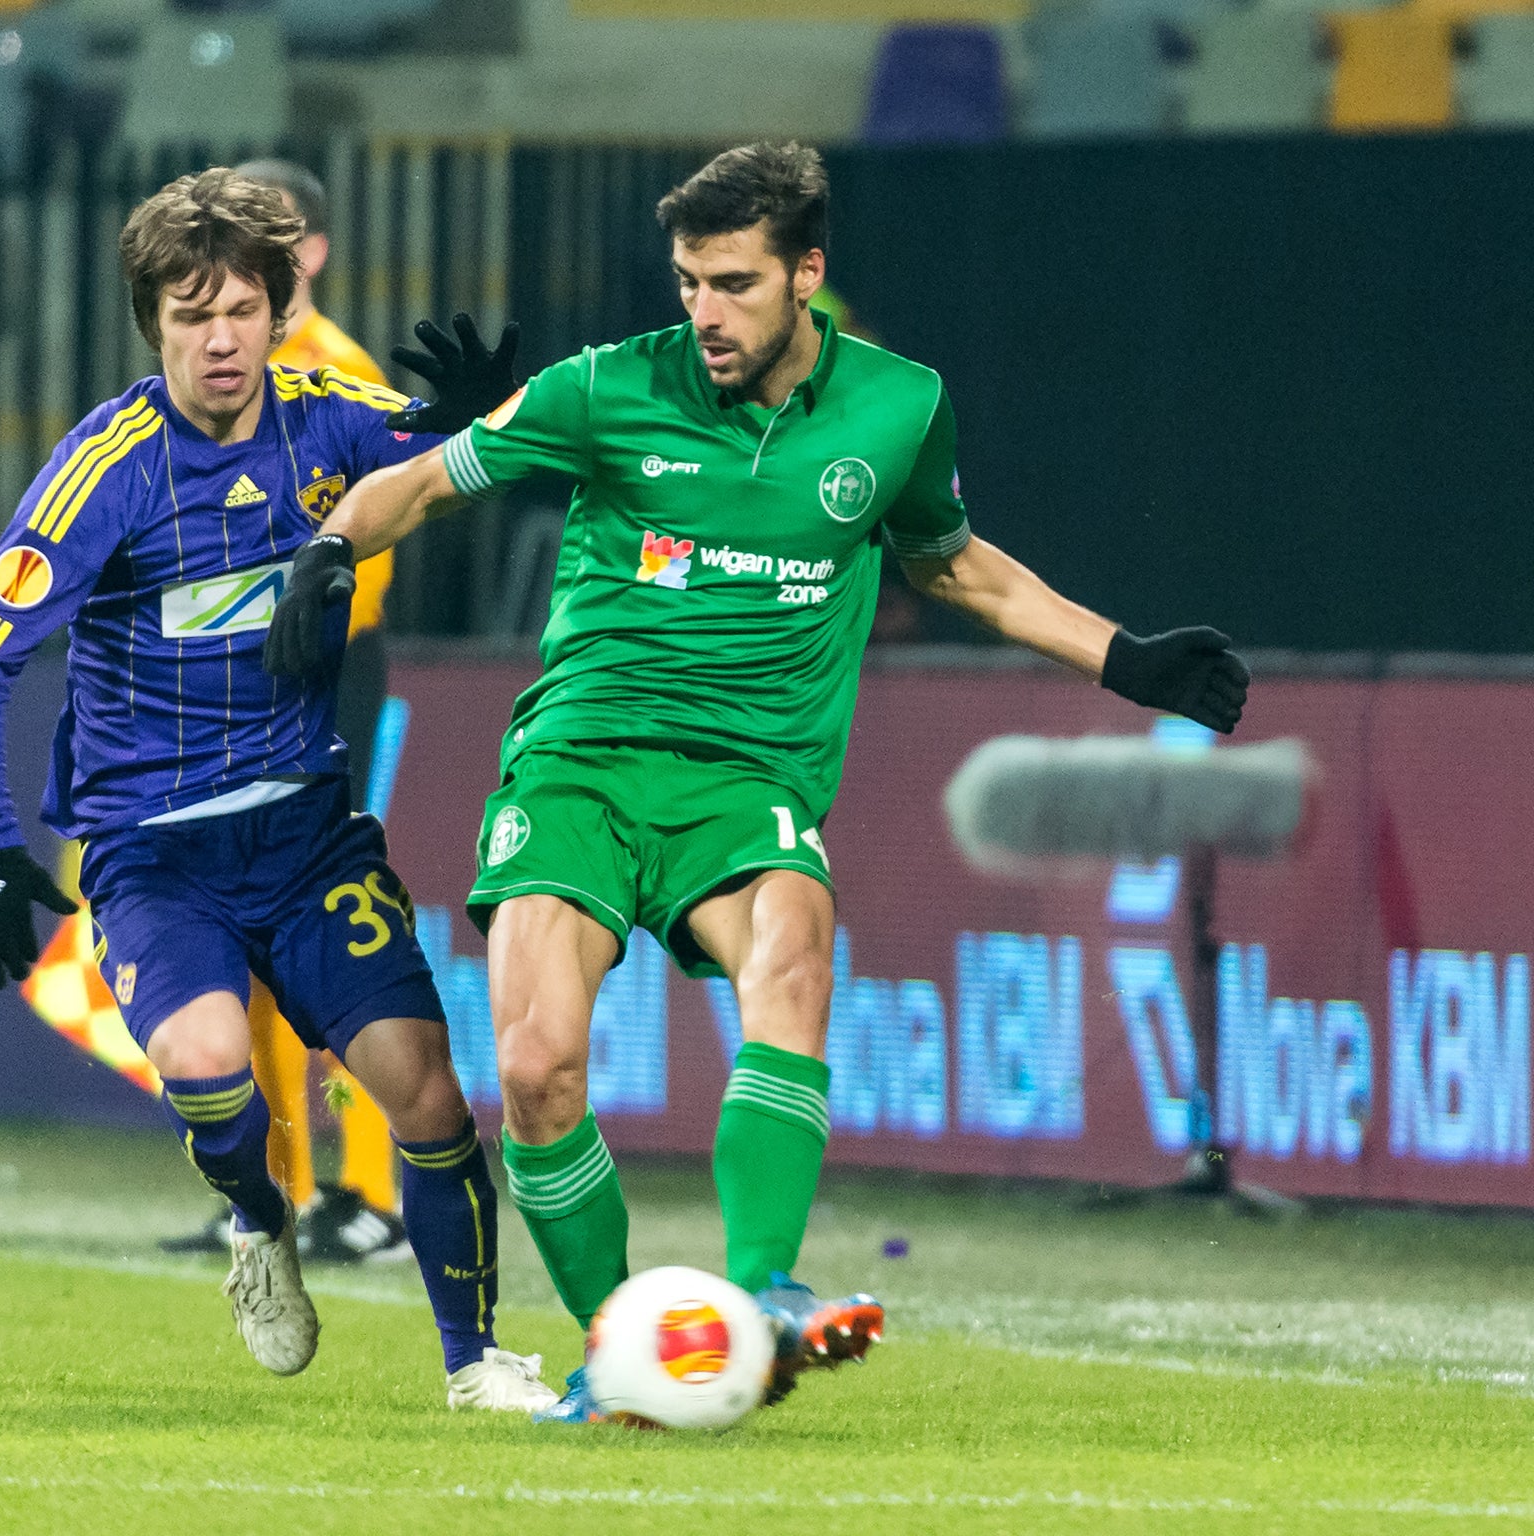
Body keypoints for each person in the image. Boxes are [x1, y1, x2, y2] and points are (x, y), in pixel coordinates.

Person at [266, 142, 1251, 1421]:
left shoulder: (896, 407)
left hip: (748, 779)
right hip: (579, 763)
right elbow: (425, 481)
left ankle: (765, 1287)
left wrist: (1120, 657)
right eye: (687, 283)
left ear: (807, 275)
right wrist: (325, 556)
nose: (704, 313)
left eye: (733, 284)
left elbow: (953, 566)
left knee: (791, 949)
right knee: (535, 1064)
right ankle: (619, 1350)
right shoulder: (603, 388)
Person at [0, 167, 550, 1411]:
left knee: (426, 1088)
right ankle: (258, 1220)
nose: (217, 338)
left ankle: (477, 1361)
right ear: (152, 324)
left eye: (239, 310)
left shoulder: (328, 419)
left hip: (307, 831)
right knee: (212, 1064)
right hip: (152, 852)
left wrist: (497, 419)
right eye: (186, 313)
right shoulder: (104, 469)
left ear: (280, 311)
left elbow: (466, 448)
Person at [152, 157, 406, 1264]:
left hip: (326, 670)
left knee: (329, 928)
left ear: (310, 256)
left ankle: (372, 1195)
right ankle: (276, 1194)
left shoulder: (333, 378)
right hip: (235, 683)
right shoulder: (214, 376)